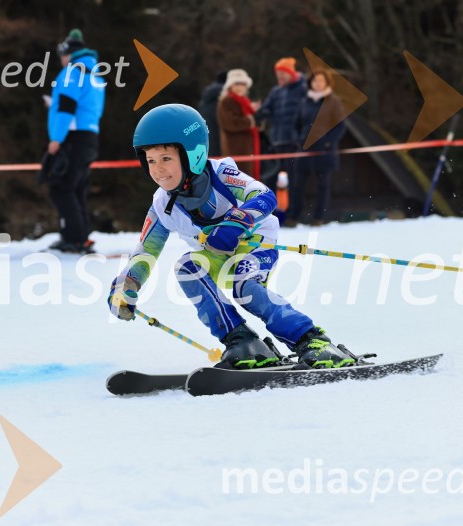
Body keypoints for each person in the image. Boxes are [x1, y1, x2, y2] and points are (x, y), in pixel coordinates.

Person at [107, 104, 357, 370]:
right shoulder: (161, 205)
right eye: (150, 161)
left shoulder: (221, 174)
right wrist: (127, 284)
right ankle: (242, 341)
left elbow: (264, 196)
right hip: (216, 255)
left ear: (194, 153)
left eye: (166, 158)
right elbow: (146, 251)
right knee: (187, 268)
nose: (157, 169)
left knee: (245, 286)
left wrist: (235, 224)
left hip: (254, 245)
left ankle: (312, 341)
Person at [43, 29, 105, 253]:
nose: (61, 60)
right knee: (77, 187)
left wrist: (56, 139)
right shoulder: (95, 74)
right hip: (90, 136)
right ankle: (76, 234)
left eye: (61, 55)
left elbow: (67, 108)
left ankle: (75, 239)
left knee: (61, 187)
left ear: (68, 53)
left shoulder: (71, 73)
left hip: (72, 137)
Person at [286, 69, 346, 226]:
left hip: (325, 151)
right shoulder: (304, 102)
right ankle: (294, 217)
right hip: (304, 150)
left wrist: (329, 142)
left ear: (326, 83)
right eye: (315, 80)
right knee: (298, 185)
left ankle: (318, 217)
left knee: (323, 185)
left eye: (321, 80)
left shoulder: (334, 101)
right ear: (310, 83)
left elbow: (340, 126)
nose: (317, 83)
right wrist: (298, 140)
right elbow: (295, 125)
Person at [255, 57, 307, 190]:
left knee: (294, 180)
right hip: (276, 141)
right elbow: (266, 109)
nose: (280, 77)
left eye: (283, 74)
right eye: (278, 75)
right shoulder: (276, 91)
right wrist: (259, 113)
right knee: (269, 178)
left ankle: (293, 210)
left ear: (291, 73)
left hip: (294, 143)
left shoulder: (303, 89)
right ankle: (269, 207)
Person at [217, 68, 260, 179]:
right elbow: (230, 123)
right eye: (237, 83)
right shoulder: (227, 101)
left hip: (247, 149)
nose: (240, 87)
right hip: (235, 149)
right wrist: (251, 120)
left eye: (243, 84)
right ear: (230, 85)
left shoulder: (245, 101)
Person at [198, 70, 227, 158]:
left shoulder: (208, 91)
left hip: (206, 121)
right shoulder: (224, 91)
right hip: (216, 122)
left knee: (210, 143)